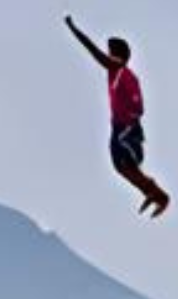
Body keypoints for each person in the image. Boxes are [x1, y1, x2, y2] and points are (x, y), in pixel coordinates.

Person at [65, 14, 171, 217]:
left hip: (126, 126)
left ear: (119, 57)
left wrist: (73, 29)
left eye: (110, 54)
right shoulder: (116, 72)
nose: (106, 57)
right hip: (118, 125)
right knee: (119, 167)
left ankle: (161, 197)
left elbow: (92, 50)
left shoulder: (122, 71)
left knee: (127, 164)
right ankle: (149, 190)